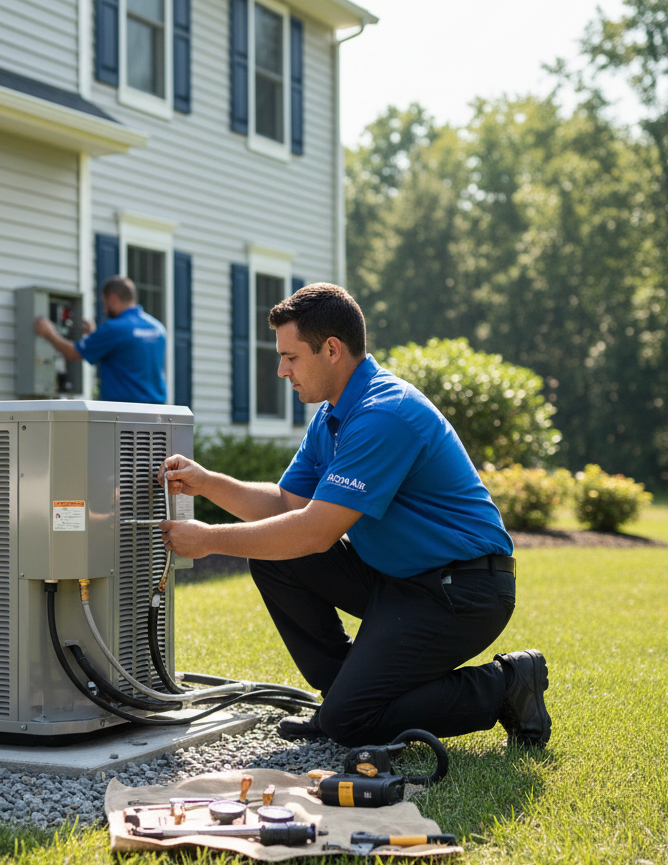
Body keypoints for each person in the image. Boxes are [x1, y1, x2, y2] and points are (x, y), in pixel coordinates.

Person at [158, 282, 551, 749]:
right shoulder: (332, 417)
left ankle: (507, 683)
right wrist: (207, 482)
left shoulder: (384, 414)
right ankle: (345, 694)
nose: (282, 370)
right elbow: (288, 506)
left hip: (462, 589)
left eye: (291, 357)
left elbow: (315, 532)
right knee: (273, 556)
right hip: (400, 580)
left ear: (331, 349)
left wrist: (207, 540)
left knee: (353, 722)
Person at [35, 276, 167, 404]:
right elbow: (127, 354)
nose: (104, 310)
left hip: (124, 412)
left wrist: (49, 333)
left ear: (113, 299)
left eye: (104, 303)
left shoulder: (114, 328)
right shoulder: (157, 328)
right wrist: (95, 335)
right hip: (156, 412)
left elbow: (72, 353)